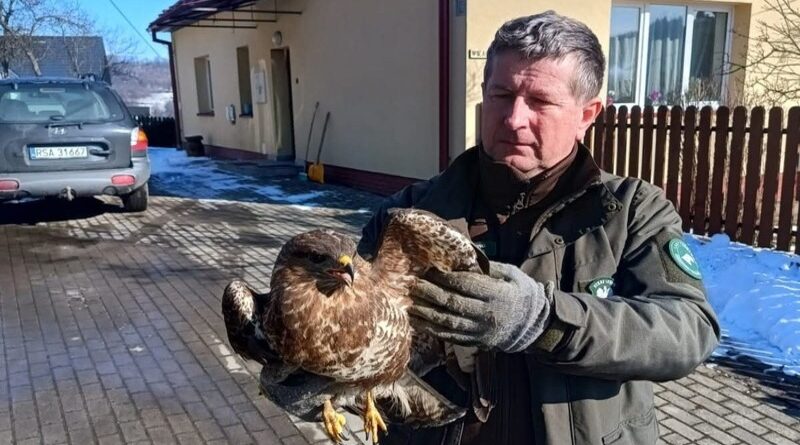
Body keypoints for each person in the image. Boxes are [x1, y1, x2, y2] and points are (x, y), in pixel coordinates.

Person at [263, 11, 720, 445]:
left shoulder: (630, 210)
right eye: (502, 95)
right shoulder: (412, 213)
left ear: (588, 114)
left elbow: (686, 331)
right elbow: (353, 324)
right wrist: (317, 378)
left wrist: (544, 321)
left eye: (540, 101)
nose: (514, 118)